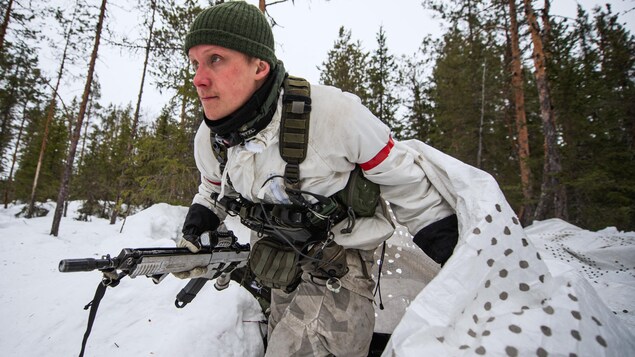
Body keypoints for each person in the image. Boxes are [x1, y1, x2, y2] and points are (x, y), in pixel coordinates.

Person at [176, 1, 458, 356]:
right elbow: (212, 188)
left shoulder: (333, 116)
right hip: (279, 262)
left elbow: (405, 179)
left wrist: (447, 245)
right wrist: (202, 216)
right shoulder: (211, 140)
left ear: (259, 65)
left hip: (337, 264)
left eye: (215, 59)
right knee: (279, 335)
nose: (198, 78)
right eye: (195, 63)